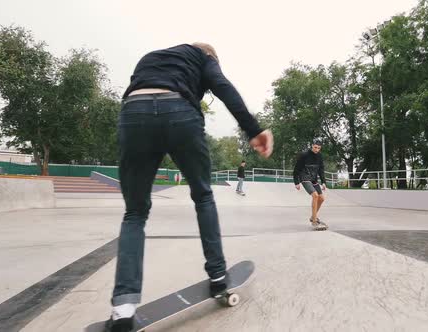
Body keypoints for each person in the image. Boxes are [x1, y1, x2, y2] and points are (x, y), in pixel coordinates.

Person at [107, 43, 274, 332]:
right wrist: (253, 129)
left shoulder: (152, 57)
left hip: (134, 112)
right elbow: (222, 86)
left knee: (134, 213)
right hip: (179, 113)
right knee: (203, 196)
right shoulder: (204, 57)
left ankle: (123, 308)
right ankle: (219, 277)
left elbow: (143, 91)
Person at [293, 139, 327, 230]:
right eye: (315, 147)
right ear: (312, 146)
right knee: (315, 195)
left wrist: (323, 182)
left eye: (318, 148)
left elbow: (321, 170)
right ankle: (314, 221)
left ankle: (313, 217)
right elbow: (296, 169)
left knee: (322, 198)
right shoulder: (304, 155)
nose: (316, 150)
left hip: (313, 179)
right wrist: (296, 182)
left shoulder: (319, 156)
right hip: (304, 178)